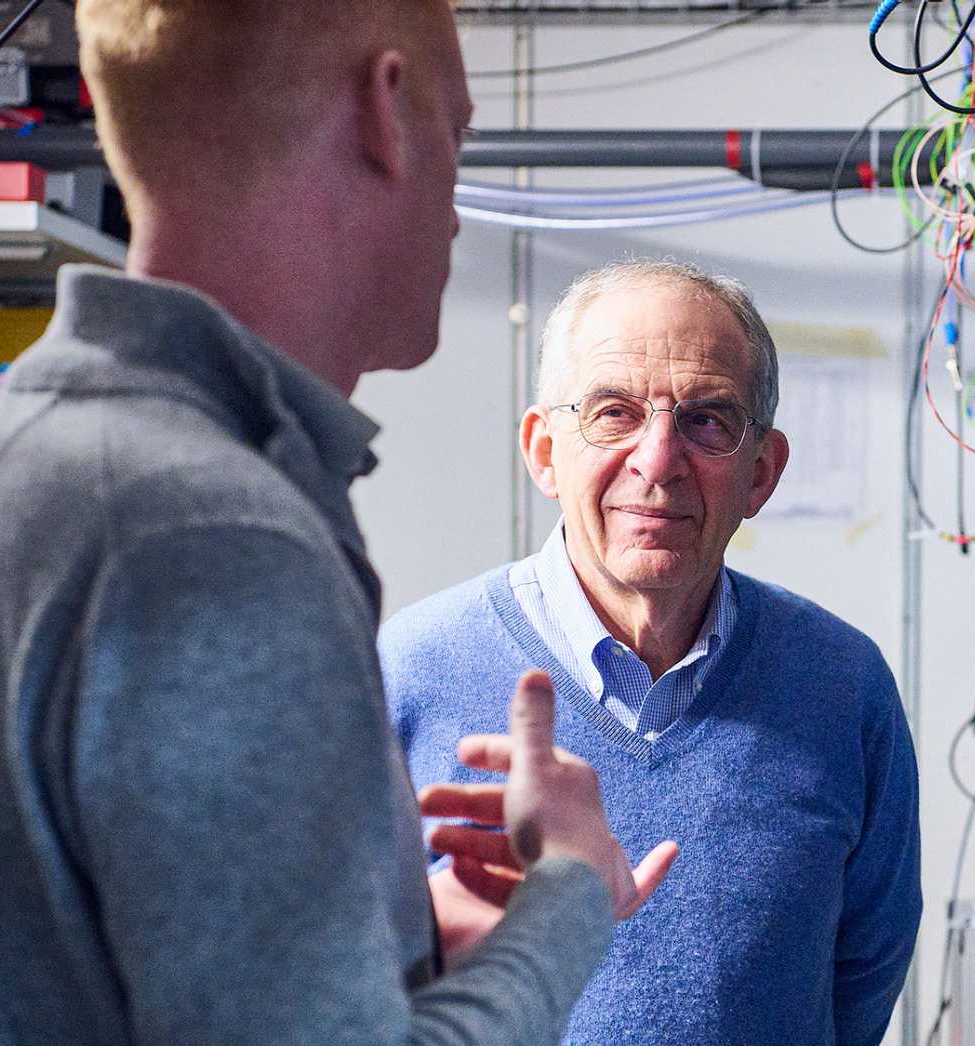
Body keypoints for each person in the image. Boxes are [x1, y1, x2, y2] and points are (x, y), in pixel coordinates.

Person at [0, 3, 674, 1044]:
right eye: (458, 135)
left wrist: (380, 934)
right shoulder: (210, 535)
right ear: (385, 112)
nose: (460, 210)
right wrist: (568, 891)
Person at [380, 260, 923, 1045]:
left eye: (707, 420)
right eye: (613, 412)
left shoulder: (843, 685)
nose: (658, 459)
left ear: (761, 471)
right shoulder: (409, 669)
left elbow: (865, 973)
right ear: (542, 450)